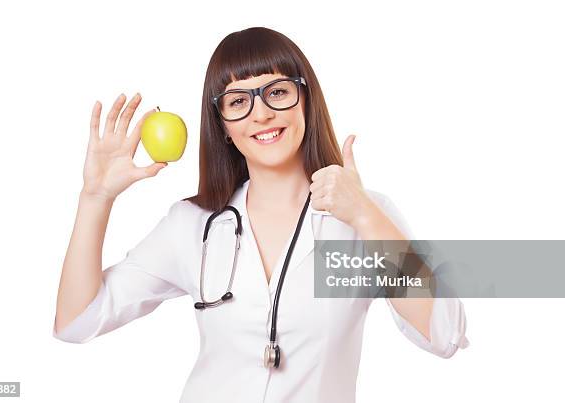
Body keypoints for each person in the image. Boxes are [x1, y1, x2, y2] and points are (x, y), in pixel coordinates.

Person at [53, 27, 469, 403]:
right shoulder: (193, 225)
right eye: (237, 101)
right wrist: (95, 197)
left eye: (278, 91)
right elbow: (77, 321)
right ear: (222, 127)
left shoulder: (362, 216)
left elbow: (445, 334)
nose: (261, 113)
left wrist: (365, 216)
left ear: (305, 99)